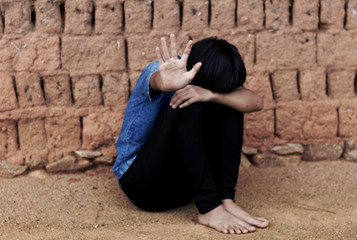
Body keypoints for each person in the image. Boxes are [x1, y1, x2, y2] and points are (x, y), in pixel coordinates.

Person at [113, 34, 269, 234]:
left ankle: (225, 199)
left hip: (185, 187)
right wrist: (166, 83)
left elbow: (256, 102)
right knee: (186, 103)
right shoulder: (164, 70)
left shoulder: (214, 79)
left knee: (231, 103)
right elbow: (156, 80)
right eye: (212, 87)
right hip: (142, 185)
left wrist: (213, 95)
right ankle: (210, 209)